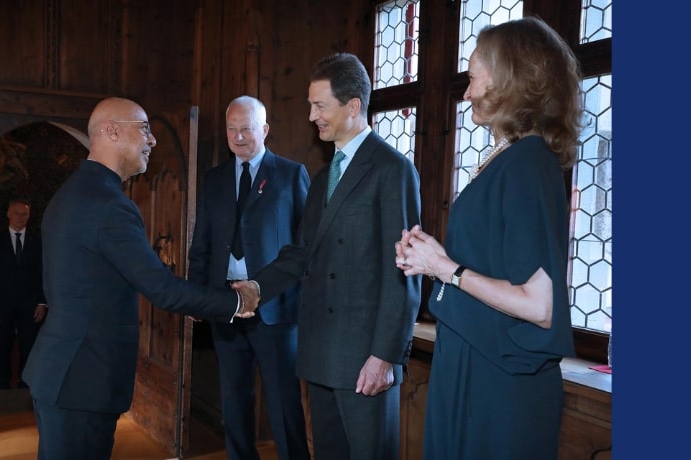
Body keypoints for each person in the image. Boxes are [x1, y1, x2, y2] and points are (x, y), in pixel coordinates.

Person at [21, 97, 261, 460]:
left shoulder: (72, 192)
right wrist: (238, 300)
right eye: (144, 129)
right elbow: (161, 290)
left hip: (64, 372)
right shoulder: (109, 204)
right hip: (82, 380)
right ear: (112, 131)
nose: (152, 140)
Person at [394, 16, 581, 460]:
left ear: (509, 80)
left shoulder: (528, 163)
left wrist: (446, 269)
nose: (466, 93)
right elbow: (490, 268)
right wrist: (432, 260)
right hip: (475, 359)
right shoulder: (513, 158)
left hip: (499, 382)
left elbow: (539, 306)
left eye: (474, 78)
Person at [237, 53, 422, 460]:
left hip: (366, 361)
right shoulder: (323, 178)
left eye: (319, 106)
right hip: (321, 356)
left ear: (353, 106)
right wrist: (255, 288)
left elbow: (405, 273)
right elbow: (302, 253)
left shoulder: (392, 170)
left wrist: (384, 356)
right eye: (310, 105)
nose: (311, 116)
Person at [187, 95, 311, 460]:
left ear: (265, 129)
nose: (238, 137)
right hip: (225, 305)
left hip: (275, 308)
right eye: (231, 129)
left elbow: (305, 245)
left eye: (246, 128)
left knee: (283, 402)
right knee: (234, 399)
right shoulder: (214, 179)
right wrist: (196, 293)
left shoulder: (291, 174)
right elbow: (202, 241)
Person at [0, 198, 47, 389]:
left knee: (29, 345)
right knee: (2, 345)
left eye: (24, 214)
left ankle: (25, 383)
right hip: (2, 304)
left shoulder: (38, 242)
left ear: (29, 216)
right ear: (8, 215)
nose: (20, 217)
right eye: (16, 213)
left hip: (30, 305)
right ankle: (2, 385)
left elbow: (44, 273)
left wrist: (42, 302)